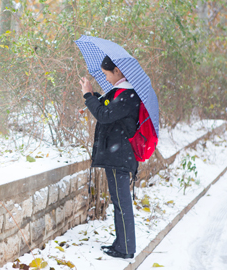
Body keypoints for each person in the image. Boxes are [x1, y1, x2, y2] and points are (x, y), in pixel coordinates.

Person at [79, 55, 140, 259]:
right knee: (119, 201)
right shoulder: (122, 92)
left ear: (118, 71)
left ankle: (125, 249)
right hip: (118, 154)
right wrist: (92, 100)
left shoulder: (127, 94)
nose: (107, 79)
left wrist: (88, 96)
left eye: (107, 74)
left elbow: (104, 114)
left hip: (119, 156)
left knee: (121, 203)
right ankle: (121, 244)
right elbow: (106, 104)